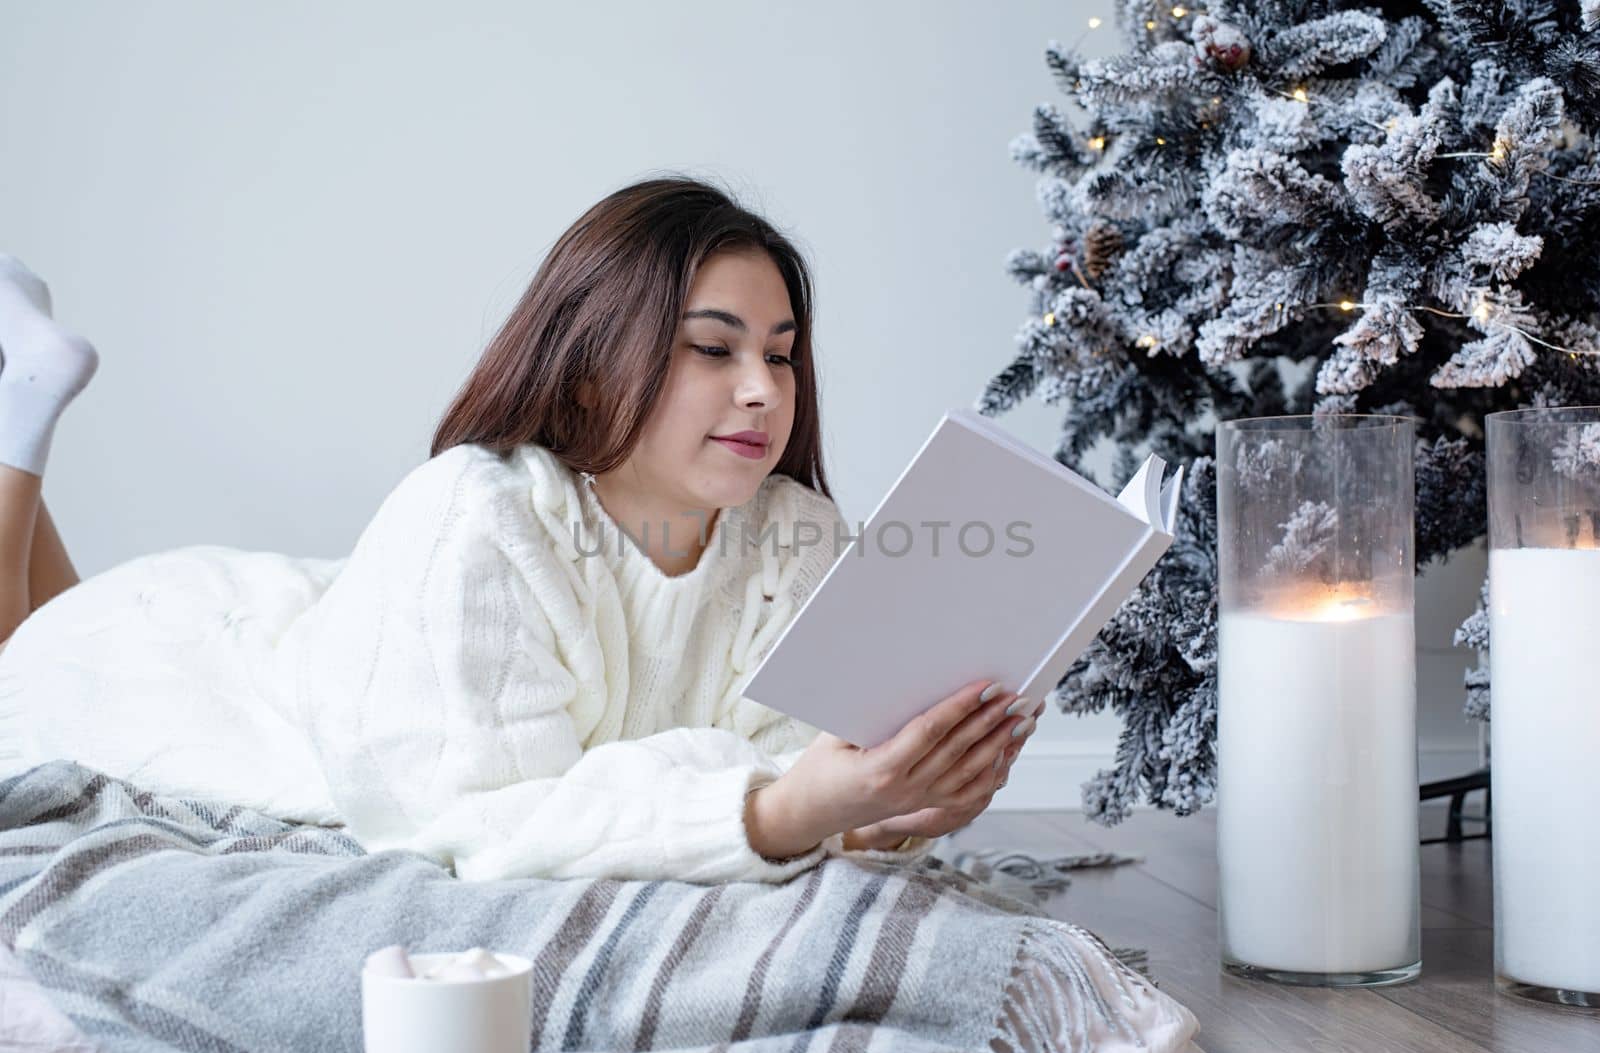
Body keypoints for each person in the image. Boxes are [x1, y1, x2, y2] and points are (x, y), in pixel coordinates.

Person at [0, 176, 1043, 884]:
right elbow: (482, 826)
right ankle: (21, 413)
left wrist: (899, 807)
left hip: (331, 622)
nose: (762, 392)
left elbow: (800, 777)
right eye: (713, 351)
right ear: (591, 364)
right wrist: (771, 811)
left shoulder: (800, 539)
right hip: (191, 669)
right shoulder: (476, 514)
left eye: (780, 355)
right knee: (23, 656)